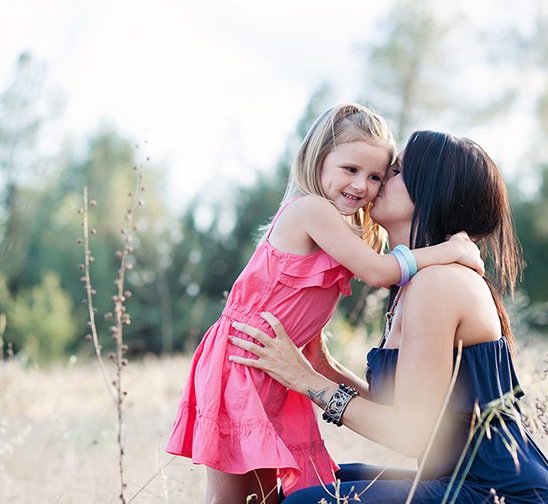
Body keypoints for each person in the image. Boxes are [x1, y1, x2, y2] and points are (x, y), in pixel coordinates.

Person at [166, 108, 483, 503]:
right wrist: (449, 250)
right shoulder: (312, 210)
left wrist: (321, 367)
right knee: (229, 498)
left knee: (265, 498)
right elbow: (380, 271)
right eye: (350, 169)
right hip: (244, 360)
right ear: (317, 160)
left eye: (375, 177)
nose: (362, 186)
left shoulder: (339, 229)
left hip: (270, 364)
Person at [230, 130, 548, 503]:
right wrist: (321, 368)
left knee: (304, 502)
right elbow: (403, 409)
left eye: (394, 171)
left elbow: (410, 433)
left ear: (430, 191)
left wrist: (305, 380)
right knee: (312, 483)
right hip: (455, 480)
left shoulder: (439, 285)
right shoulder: (413, 285)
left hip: (499, 492)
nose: (378, 178)